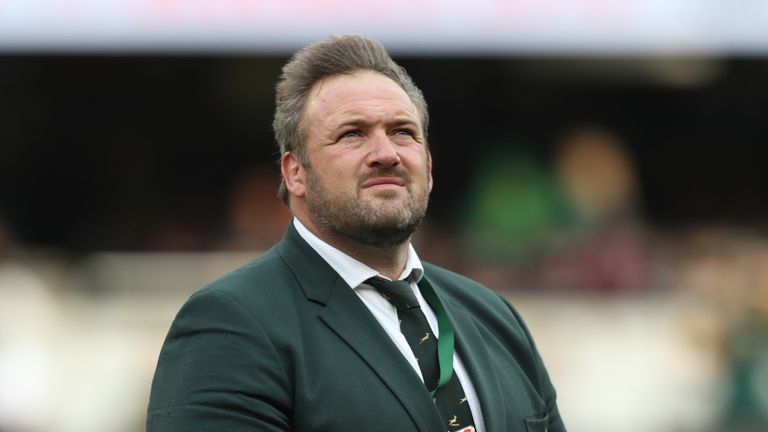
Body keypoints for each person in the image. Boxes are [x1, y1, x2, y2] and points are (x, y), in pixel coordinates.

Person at [147, 35, 565, 432]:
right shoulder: (231, 324)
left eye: (403, 132)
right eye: (352, 134)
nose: (386, 154)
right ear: (295, 173)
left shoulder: (495, 318)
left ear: (430, 166)